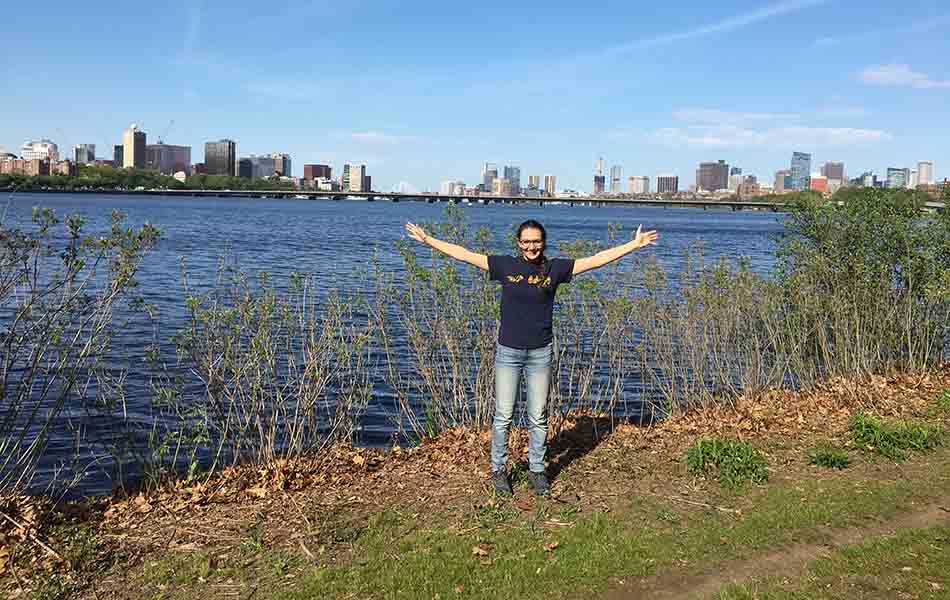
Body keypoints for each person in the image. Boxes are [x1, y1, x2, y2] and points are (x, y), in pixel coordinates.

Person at [405, 218, 659, 496]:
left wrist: (634, 245)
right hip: (508, 352)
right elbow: (463, 254)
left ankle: (537, 469)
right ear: (518, 243)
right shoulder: (504, 265)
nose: (531, 246)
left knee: (537, 416)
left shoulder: (556, 269)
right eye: (526, 241)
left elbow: (597, 260)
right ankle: (499, 470)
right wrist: (429, 240)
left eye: (536, 241)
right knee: (503, 416)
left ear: (543, 242)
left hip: (541, 352)